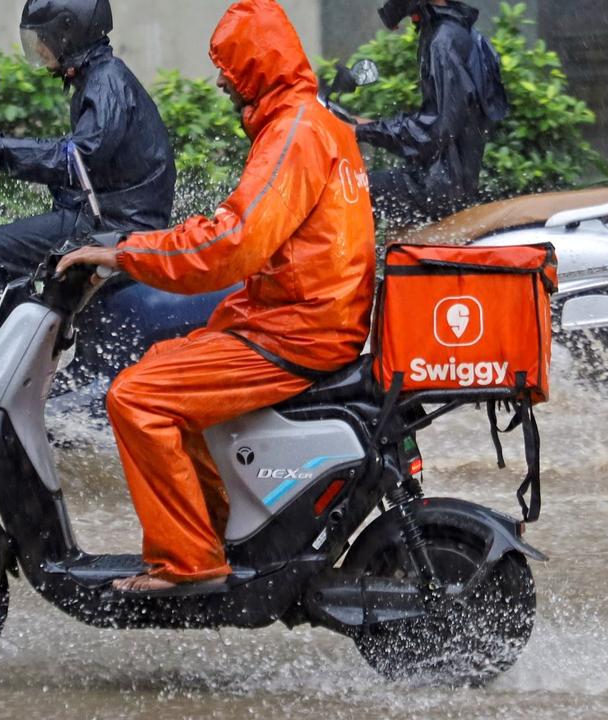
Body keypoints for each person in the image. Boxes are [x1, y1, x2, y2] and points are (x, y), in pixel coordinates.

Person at [57, 0, 376, 593]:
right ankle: (224, 527)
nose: (225, 83)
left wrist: (124, 252)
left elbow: (231, 242)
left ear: (256, 68)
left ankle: (187, 562)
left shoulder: (293, 133)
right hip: (305, 316)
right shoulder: (319, 123)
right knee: (159, 365)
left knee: (136, 399)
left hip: (297, 329)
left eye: (230, 70)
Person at [0, 0, 176, 355]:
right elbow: (87, 167)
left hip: (114, 225)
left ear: (68, 32)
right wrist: (2, 154)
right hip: (110, 216)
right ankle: (20, 360)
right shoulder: (99, 77)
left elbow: (77, 158)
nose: (39, 47)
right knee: (14, 247)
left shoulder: (107, 82)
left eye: (43, 37)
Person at [355, 0, 509, 226]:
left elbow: (437, 129)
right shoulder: (456, 30)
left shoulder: (443, 41)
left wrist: (365, 132)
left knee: (351, 191)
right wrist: (366, 125)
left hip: (437, 188)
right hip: (448, 182)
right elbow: (440, 120)